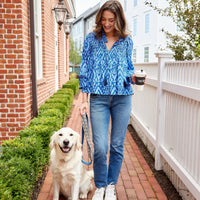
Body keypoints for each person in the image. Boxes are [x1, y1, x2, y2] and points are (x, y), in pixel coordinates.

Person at [79, 1, 139, 199]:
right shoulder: (91, 39)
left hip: (122, 98)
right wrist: (83, 99)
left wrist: (134, 76)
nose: (107, 24)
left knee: (116, 145)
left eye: (111, 20)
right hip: (98, 98)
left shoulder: (126, 41)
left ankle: (111, 185)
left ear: (118, 20)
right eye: (103, 20)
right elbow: (85, 69)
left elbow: (128, 67)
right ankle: (101, 186)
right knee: (101, 146)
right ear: (99, 19)